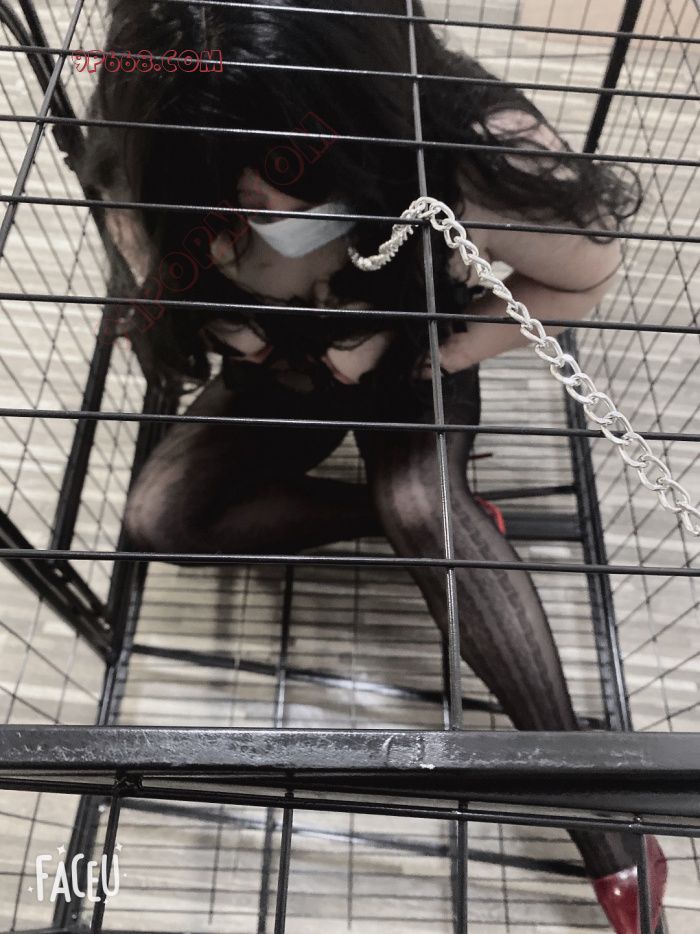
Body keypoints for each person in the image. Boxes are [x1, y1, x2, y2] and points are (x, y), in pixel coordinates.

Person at [83, 2, 666, 930]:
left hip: (408, 334)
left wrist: (427, 351)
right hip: (281, 362)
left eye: (258, 199)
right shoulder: (151, 139)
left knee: (424, 506)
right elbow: (140, 248)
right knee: (161, 517)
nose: (236, 233)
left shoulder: (474, 148)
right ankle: (402, 523)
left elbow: (582, 277)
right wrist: (232, 325)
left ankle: (609, 830)